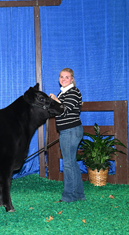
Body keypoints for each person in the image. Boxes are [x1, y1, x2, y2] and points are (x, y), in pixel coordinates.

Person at [49, 68, 86, 203]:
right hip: (67, 130)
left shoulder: (73, 92)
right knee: (72, 163)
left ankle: (69, 196)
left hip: (71, 130)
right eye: (61, 77)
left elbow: (64, 110)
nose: (63, 79)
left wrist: (55, 101)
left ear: (72, 79)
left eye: (66, 77)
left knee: (68, 164)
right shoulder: (63, 93)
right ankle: (79, 194)